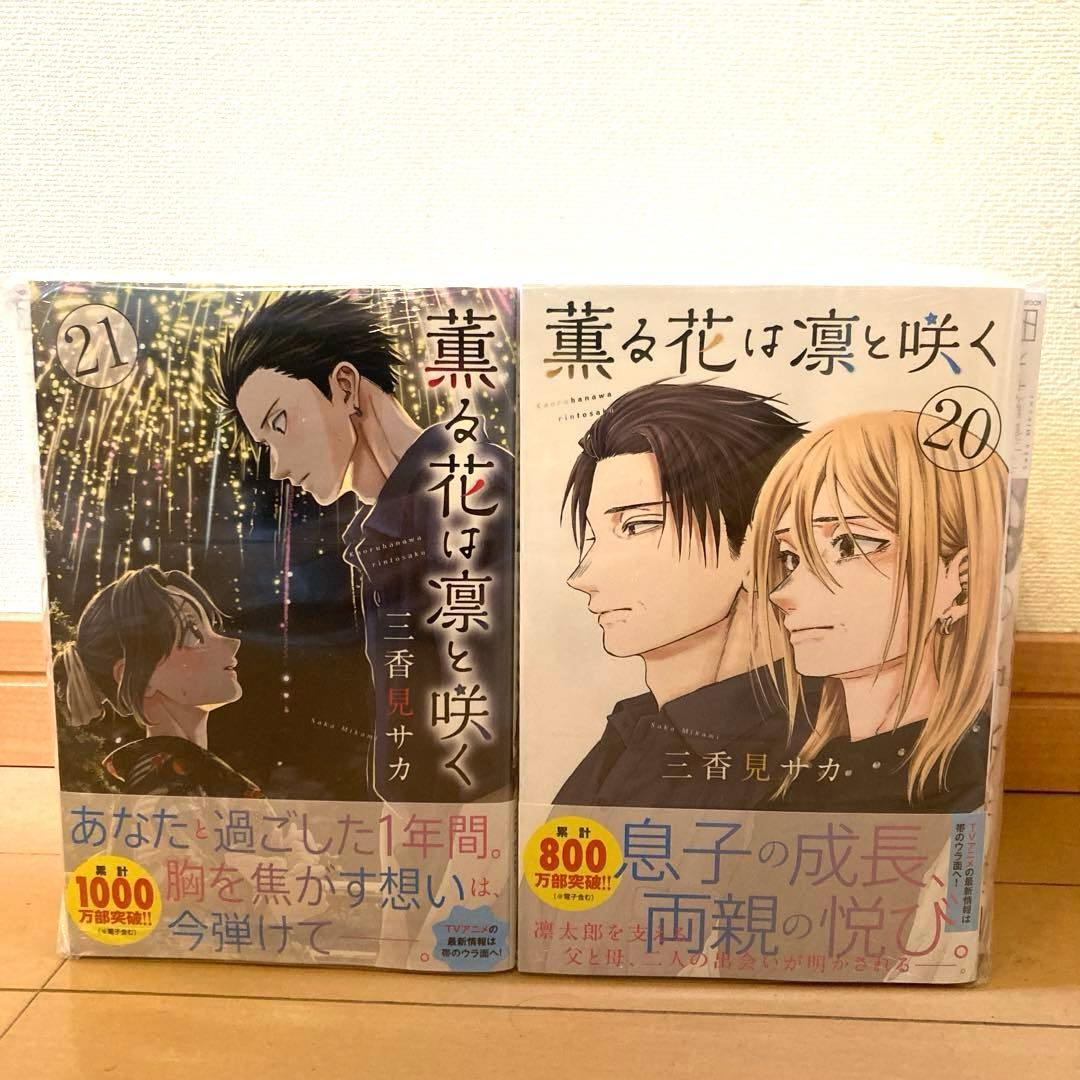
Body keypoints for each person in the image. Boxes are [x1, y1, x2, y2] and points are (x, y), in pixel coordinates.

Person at [209, 290, 513, 802]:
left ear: (345, 386)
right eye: (266, 444)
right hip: (422, 817)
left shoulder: (478, 493)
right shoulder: (378, 534)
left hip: (478, 815)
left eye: (280, 423)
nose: (277, 466)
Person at [553, 380, 815, 809]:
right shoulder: (631, 732)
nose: (582, 576)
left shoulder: (810, 747)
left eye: (637, 526)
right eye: (595, 537)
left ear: (758, 544)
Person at [749, 410, 1005, 812]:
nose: (783, 593)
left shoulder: (960, 786)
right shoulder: (801, 772)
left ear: (963, 581)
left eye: (850, 545)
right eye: (791, 557)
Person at [55, 565, 261, 798]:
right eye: (194, 633)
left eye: (211, 629)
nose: (233, 643)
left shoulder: (184, 774)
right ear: (135, 676)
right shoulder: (166, 789)